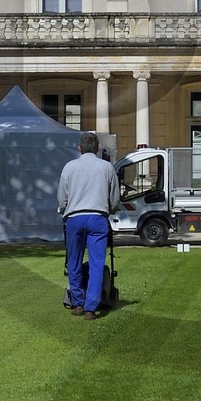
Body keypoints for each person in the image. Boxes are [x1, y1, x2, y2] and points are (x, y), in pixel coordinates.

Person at [58, 131, 120, 319]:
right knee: (96, 263)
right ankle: (90, 307)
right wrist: (112, 209)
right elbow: (114, 198)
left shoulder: (69, 167)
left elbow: (62, 197)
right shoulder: (107, 167)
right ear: (97, 148)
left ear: (79, 148)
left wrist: (63, 209)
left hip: (75, 218)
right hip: (97, 217)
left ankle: (77, 302)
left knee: (74, 261)